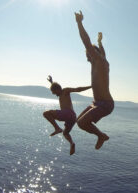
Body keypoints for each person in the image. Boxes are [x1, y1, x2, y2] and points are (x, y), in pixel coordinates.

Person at [75, 11, 114, 150]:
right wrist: (99, 42)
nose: (87, 59)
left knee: (82, 123)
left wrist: (79, 23)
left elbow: (86, 41)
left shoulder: (98, 60)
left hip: (105, 104)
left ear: (93, 53)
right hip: (96, 103)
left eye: (88, 55)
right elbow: (103, 52)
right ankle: (100, 135)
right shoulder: (101, 59)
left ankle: (101, 135)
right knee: (78, 121)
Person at [43, 75, 91, 155]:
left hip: (67, 113)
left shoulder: (65, 91)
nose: (55, 95)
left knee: (46, 113)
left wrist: (91, 86)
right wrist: (51, 82)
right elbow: (55, 87)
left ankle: (57, 128)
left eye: (55, 93)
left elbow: (78, 89)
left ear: (57, 89)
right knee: (65, 133)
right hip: (72, 118)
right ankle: (72, 143)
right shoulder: (61, 92)